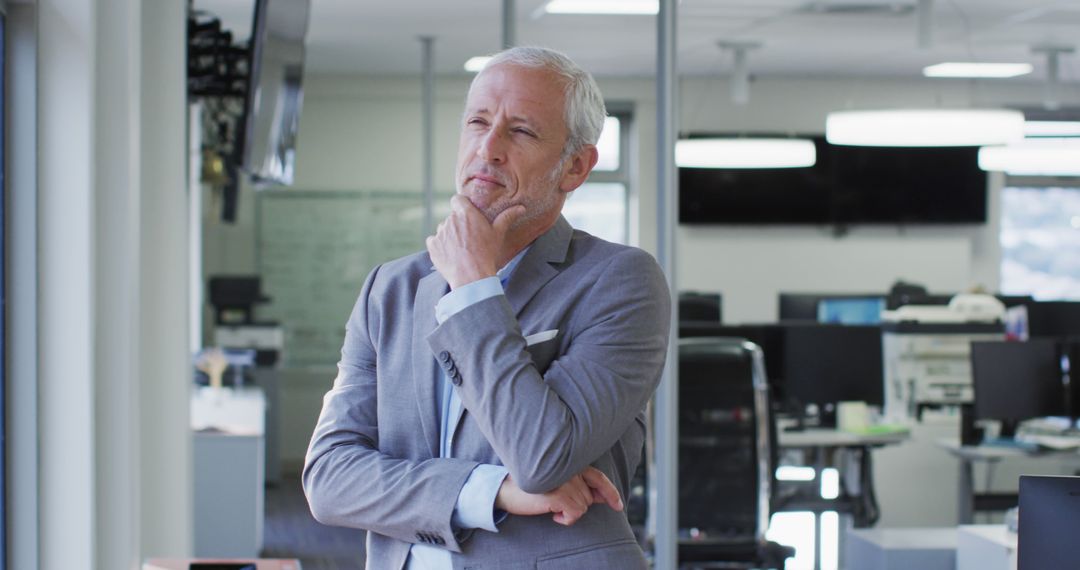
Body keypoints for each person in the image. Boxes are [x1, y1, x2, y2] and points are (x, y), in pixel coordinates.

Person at [303, 45, 670, 569]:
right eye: (478, 122)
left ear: (575, 167)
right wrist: (490, 489)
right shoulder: (391, 288)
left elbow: (542, 458)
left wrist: (475, 287)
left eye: (520, 131)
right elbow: (328, 478)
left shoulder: (620, 282)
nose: (488, 148)